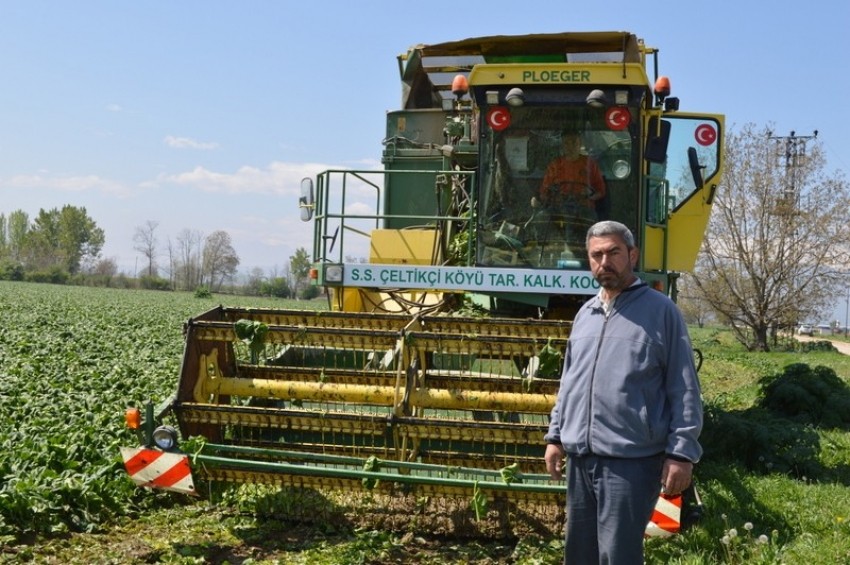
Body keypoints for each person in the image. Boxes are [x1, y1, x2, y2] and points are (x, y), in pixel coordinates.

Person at [543, 220, 703, 564]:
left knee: (618, 555)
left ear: (632, 254)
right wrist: (555, 436)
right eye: (596, 255)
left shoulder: (661, 312)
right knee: (579, 554)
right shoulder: (584, 314)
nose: (605, 262)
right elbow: (569, 381)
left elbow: (684, 386)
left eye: (614, 252)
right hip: (581, 459)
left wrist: (682, 454)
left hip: (631, 461)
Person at [534, 131, 607, 220]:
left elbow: (601, 191)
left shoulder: (590, 164)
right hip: (558, 208)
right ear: (562, 146)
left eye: (573, 142)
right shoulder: (555, 165)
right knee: (540, 218)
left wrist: (589, 195)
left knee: (592, 220)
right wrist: (541, 199)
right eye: (566, 143)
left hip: (583, 208)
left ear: (580, 144)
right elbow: (544, 192)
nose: (570, 147)